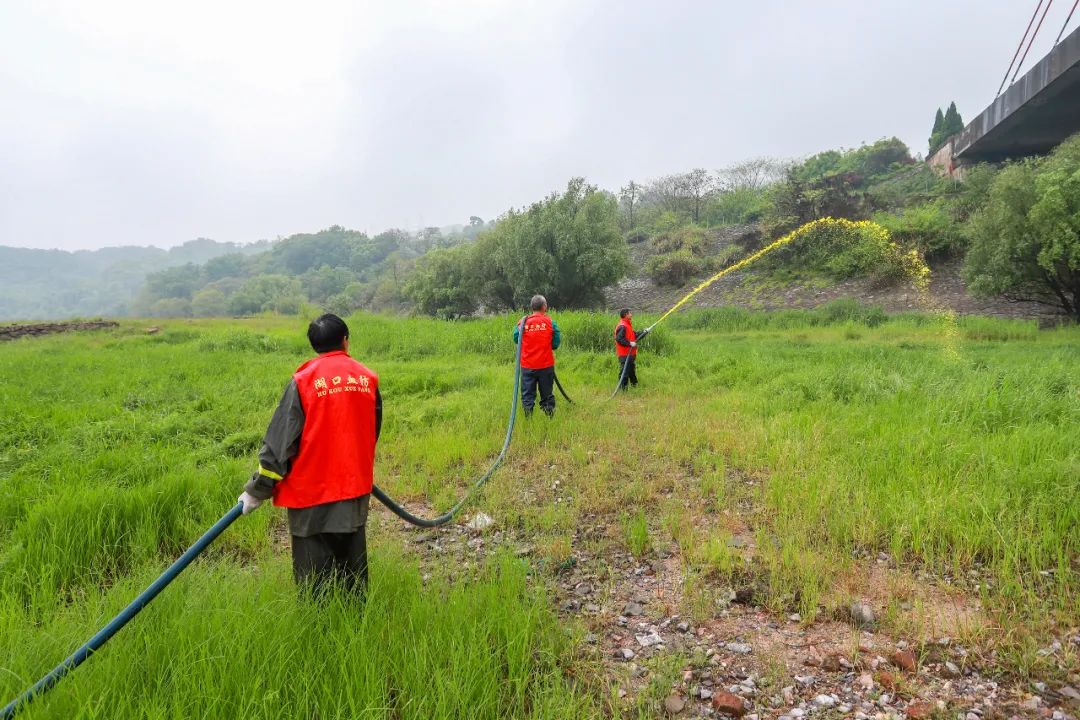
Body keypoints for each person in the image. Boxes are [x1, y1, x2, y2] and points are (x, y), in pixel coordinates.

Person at [237, 313, 382, 598]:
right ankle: (355, 624)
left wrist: (257, 490)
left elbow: (280, 443)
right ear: (345, 340)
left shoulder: (303, 382)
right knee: (352, 577)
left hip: (310, 495)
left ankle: (320, 629)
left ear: (314, 345)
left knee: (314, 584)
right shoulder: (367, 378)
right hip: (353, 490)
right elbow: (371, 431)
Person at [512, 294, 561, 418]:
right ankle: (549, 416)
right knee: (547, 393)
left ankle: (528, 417)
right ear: (544, 307)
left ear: (531, 307)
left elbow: (516, 339)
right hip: (545, 366)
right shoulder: (550, 322)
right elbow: (555, 343)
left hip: (527, 366)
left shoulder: (522, 323)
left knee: (527, 394)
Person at [614, 308, 649, 390]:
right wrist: (629, 343)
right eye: (630, 313)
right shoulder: (622, 326)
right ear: (626, 315)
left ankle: (635, 385)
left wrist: (645, 332)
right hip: (624, 354)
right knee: (624, 372)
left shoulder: (627, 325)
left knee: (631, 371)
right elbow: (619, 339)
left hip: (630, 354)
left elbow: (635, 335)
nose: (631, 315)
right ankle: (623, 389)